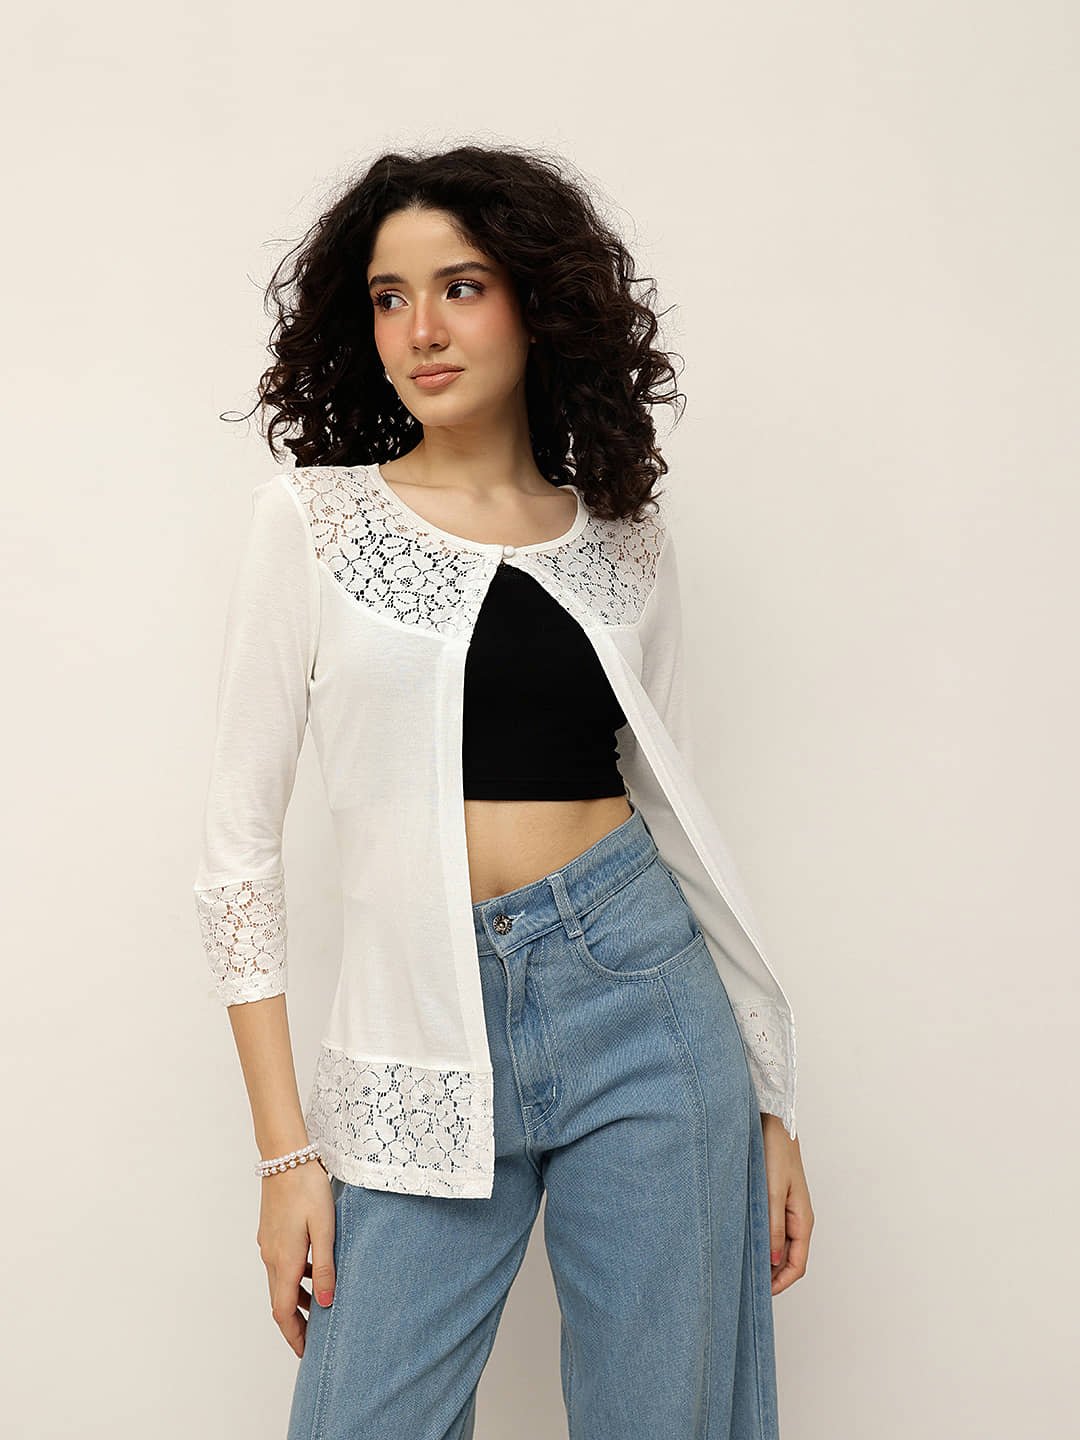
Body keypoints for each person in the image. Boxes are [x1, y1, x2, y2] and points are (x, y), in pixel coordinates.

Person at [193, 143, 814, 1440]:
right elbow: (238, 854)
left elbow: (674, 811)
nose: (420, 329)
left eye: (460, 287)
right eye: (389, 297)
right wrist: (286, 1157)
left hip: (643, 996)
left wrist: (770, 1103)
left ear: (537, 304)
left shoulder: (625, 537)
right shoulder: (312, 523)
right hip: (420, 1026)